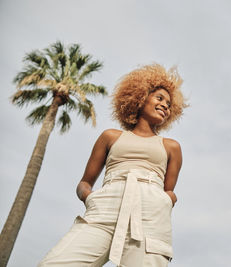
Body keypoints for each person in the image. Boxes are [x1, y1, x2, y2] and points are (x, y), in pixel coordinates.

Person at [38, 63, 187, 267]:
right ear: (140, 97)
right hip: (105, 207)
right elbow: (84, 183)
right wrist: (91, 198)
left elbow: (169, 190)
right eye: (159, 98)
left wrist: (165, 200)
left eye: (169, 104)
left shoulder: (172, 147)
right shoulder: (110, 137)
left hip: (150, 215)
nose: (165, 106)